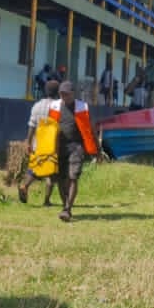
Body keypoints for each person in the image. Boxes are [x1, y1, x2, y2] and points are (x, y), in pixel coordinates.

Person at [48, 81, 98, 223]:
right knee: (60, 179)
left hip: (76, 146)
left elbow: (91, 129)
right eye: (61, 94)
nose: (64, 96)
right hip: (59, 148)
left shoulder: (82, 107)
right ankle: (65, 205)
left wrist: (97, 149)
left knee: (73, 177)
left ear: (73, 93)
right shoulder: (54, 106)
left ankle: (67, 209)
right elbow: (48, 128)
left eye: (67, 94)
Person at [19, 79, 60, 206]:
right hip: (53, 144)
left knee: (35, 168)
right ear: (58, 92)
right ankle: (46, 201)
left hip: (38, 143)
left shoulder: (37, 106)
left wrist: (28, 142)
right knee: (51, 172)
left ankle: (25, 186)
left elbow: (31, 125)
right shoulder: (59, 106)